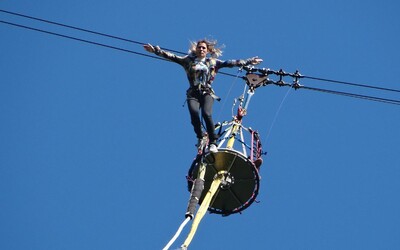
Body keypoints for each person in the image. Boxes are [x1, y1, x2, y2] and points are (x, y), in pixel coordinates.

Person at [143, 39, 262, 153]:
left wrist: (249, 61)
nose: (201, 49)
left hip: (207, 93)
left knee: (206, 114)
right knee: (194, 113)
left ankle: (213, 142)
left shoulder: (214, 62)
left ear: (208, 50)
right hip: (193, 93)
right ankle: (200, 137)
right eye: (199, 47)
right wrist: (155, 51)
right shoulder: (188, 60)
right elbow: (172, 57)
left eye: (204, 48)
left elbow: (232, 63)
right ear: (195, 49)